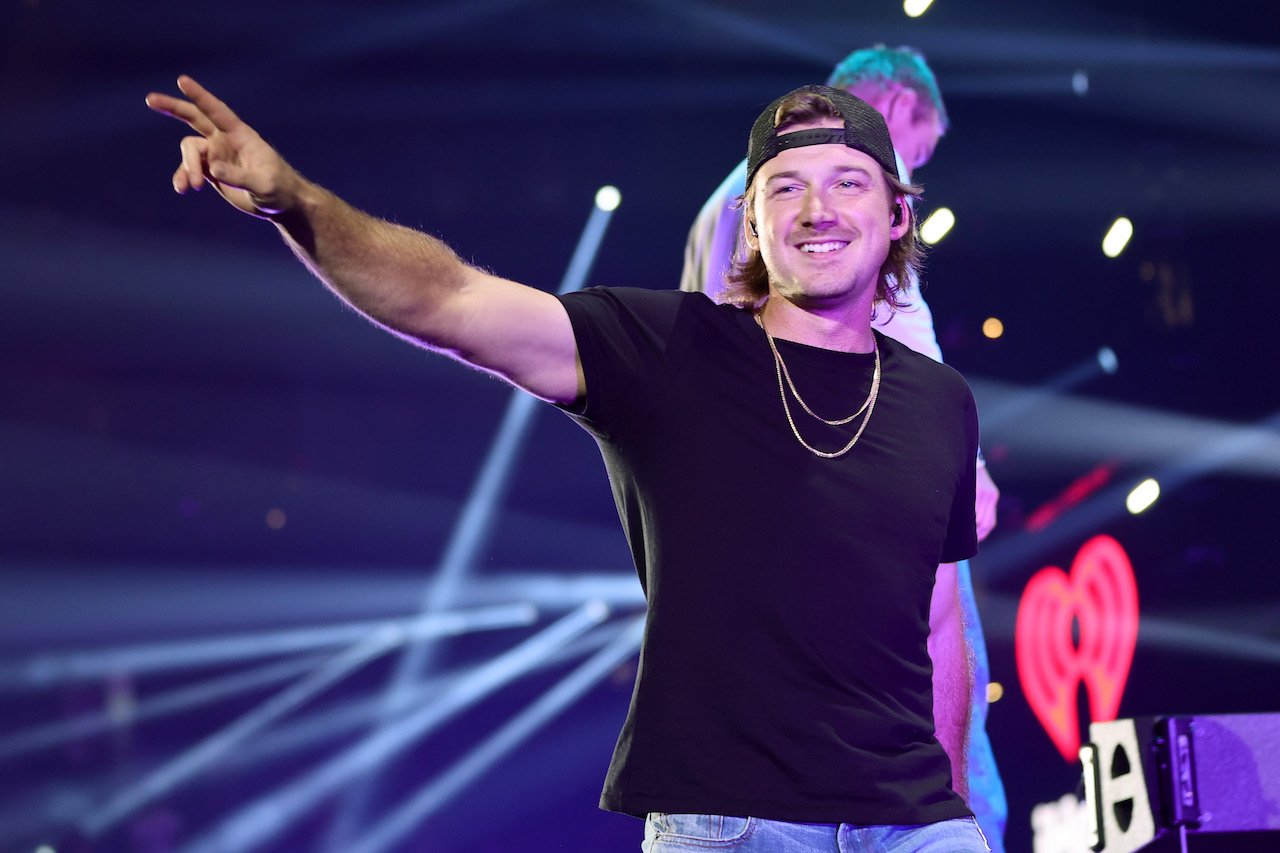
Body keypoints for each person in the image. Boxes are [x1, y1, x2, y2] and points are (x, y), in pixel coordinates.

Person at [146, 77, 990, 852]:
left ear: (898, 215)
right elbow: (449, 299)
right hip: (737, 824)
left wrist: (952, 803)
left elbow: (939, 616)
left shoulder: (940, 400)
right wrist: (297, 201)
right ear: (755, 223)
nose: (818, 209)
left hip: (910, 824)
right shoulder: (672, 349)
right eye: (785, 186)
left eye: (848, 181)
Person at [681, 44, 1008, 850]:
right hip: (856, 467)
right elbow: (870, 326)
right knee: (940, 676)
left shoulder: (757, 192)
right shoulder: (814, 203)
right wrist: (960, 464)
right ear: (892, 104)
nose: (908, 168)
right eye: (915, 148)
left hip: (815, 474)